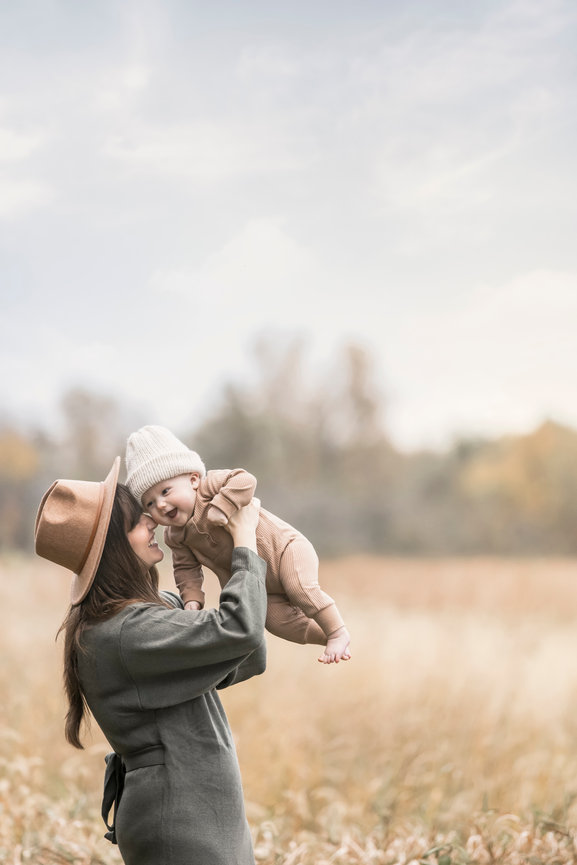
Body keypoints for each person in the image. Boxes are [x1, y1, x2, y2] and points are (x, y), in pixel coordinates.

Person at [34, 456, 268, 865]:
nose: (153, 523)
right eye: (139, 522)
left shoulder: (146, 613)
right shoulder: (125, 631)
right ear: (115, 549)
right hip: (180, 822)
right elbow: (242, 630)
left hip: (204, 813)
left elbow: (246, 654)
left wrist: (215, 558)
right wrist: (243, 542)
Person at [125, 425, 351, 664]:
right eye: (149, 503)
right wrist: (192, 597)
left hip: (285, 551)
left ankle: (337, 631)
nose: (160, 505)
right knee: (274, 621)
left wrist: (223, 504)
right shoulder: (175, 536)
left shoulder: (210, 488)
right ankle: (327, 638)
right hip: (258, 583)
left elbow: (245, 480)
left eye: (165, 491)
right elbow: (186, 569)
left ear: (193, 480)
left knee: (299, 587)